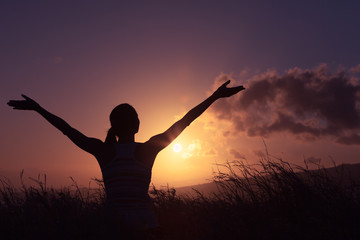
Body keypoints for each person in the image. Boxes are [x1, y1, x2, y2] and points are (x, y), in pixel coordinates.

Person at [7, 80, 245, 239]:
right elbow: (185, 120)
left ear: (113, 127)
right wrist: (214, 97)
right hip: (148, 229)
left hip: (113, 228)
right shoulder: (148, 150)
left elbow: (66, 129)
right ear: (137, 125)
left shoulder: (103, 151)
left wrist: (38, 108)